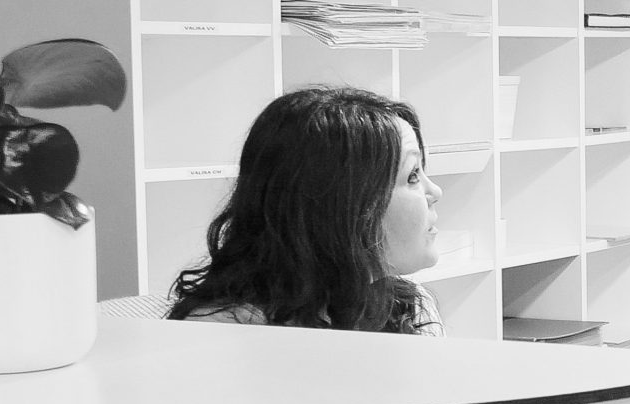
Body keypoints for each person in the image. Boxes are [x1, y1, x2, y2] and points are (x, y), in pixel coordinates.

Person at [168, 84, 444, 335]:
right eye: (412, 176)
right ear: (341, 204)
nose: (435, 192)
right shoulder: (224, 333)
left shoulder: (407, 308)